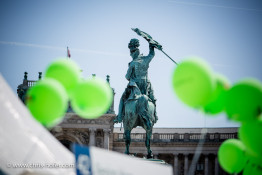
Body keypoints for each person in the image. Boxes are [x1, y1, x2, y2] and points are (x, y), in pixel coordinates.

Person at [114, 38, 158, 124]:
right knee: (153, 99)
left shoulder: (133, 62)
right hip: (146, 85)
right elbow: (152, 54)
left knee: (123, 99)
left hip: (136, 87)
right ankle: (155, 115)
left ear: (132, 52)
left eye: (131, 52)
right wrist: (151, 46)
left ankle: (119, 117)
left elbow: (127, 77)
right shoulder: (146, 59)